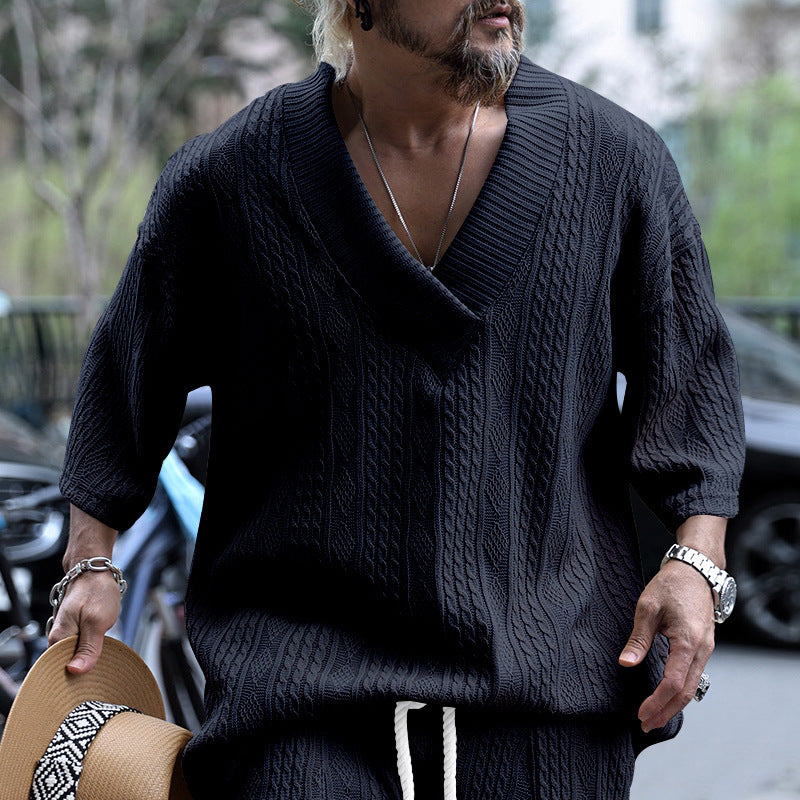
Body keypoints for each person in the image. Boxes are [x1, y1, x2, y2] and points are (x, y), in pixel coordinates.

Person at [48, 0, 746, 797]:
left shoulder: (616, 163)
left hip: (546, 711)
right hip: (297, 715)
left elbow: (690, 378)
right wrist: (90, 560)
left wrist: (697, 562)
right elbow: (127, 371)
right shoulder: (229, 178)